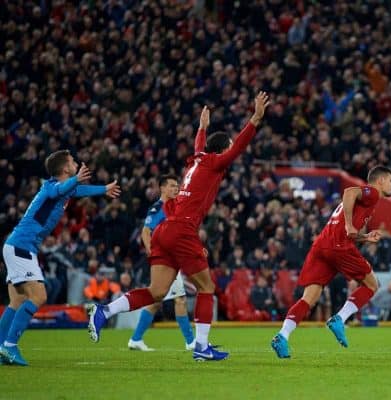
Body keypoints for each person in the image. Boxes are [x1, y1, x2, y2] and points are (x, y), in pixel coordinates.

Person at [88, 92, 270, 362]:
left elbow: (200, 147)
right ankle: (201, 347)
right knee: (207, 288)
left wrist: (202, 128)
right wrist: (255, 119)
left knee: (157, 292)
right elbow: (238, 147)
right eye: (227, 149)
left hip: (166, 229)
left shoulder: (197, 161)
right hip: (182, 230)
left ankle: (105, 311)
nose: (230, 155)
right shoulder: (214, 162)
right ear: (221, 150)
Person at [0, 150, 120, 366]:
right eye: (73, 162)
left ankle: (2, 347)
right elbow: (61, 190)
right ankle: (9, 346)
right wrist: (76, 179)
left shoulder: (62, 189)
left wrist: (104, 189)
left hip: (16, 245)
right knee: (39, 296)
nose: (75, 163)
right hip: (22, 246)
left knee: (17, 300)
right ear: (66, 168)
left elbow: (78, 190)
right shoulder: (50, 187)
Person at [271, 165, 391, 358]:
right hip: (338, 246)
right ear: (380, 180)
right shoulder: (372, 193)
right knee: (372, 284)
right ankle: (340, 319)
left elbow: (352, 232)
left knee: (309, 298)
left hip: (322, 245)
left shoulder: (368, 202)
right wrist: (348, 224)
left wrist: (365, 237)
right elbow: (349, 192)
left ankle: (282, 336)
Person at [127, 175, 195, 352]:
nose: (176, 189)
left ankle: (136, 339)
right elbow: (145, 232)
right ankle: (191, 342)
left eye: (177, 186)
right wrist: (153, 254)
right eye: (172, 186)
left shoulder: (173, 208)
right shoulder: (158, 208)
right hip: (165, 261)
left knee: (156, 300)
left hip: (171, 259)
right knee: (179, 299)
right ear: (162, 188)